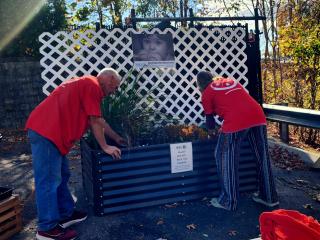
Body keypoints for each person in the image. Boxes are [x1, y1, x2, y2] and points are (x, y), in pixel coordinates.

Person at [26, 68, 127, 240]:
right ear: (109, 80)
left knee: (62, 175)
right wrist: (104, 147)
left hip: (53, 134)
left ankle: (65, 214)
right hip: (46, 132)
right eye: (115, 87)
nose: (114, 91)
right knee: (48, 182)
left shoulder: (89, 86)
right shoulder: (92, 85)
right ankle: (46, 229)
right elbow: (94, 121)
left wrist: (116, 138)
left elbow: (98, 119)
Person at [196, 71, 279, 211]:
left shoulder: (207, 93)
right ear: (212, 77)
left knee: (223, 156)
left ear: (200, 84)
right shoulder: (231, 81)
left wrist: (212, 133)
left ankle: (228, 201)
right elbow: (236, 104)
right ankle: (269, 198)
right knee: (262, 156)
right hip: (258, 116)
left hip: (236, 121)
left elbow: (210, 121)